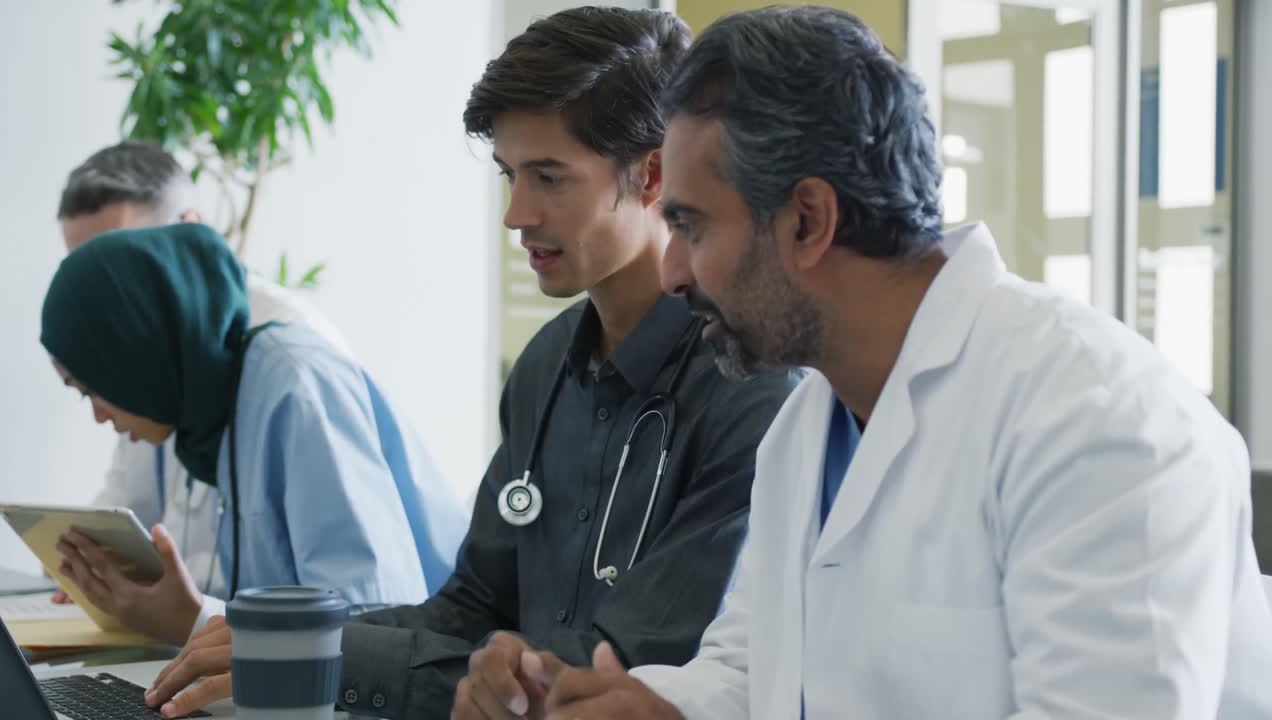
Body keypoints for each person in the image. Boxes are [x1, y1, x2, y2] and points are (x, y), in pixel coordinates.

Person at [520, 6, 1272, 718]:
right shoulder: (807, 427)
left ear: (809, 220)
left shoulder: (1101, 423)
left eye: (689, 226)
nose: (674, 272)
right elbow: (756, 672)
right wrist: (653, 706)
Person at [142, 7, 798, 719]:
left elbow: (624, 665)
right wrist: (290, 641)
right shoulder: (547, 367)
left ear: (651, 176)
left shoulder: (749, 381)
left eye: (548, 177)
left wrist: (328, 658)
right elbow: (471, 609)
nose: (515, 214)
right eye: (509, 175)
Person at [41, 223, 469, 652]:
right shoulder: (203, 419)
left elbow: (374, 626)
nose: (98, 415)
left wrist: (191, 620)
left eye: (92, 389)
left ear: (134, 351)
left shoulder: (297, 386)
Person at [52, 141, 355, 606]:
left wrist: (192, 620)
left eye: (121, 259)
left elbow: (350, 607)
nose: (103, 297)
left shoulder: (295, 365)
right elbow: (128, 509)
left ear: (189, 231)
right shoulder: (152, 380)